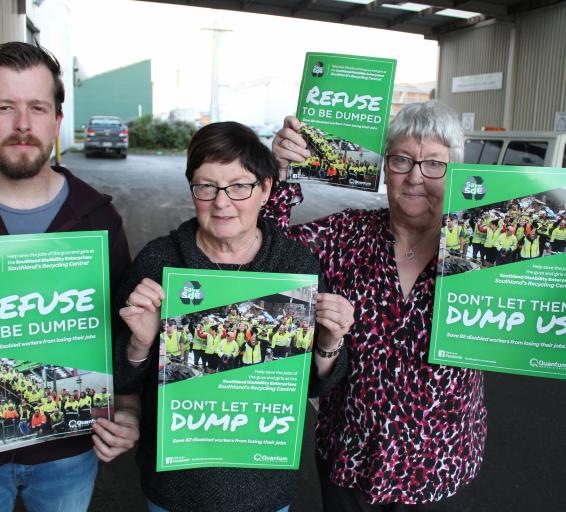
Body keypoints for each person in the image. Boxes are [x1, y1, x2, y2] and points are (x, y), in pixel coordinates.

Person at [0, 41, 138, 511]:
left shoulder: (98, 220)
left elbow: (123, 333)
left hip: (67, 452)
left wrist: (129, 410)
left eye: (37, 108)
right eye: (5, 107)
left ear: (57, 121)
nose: (23, 125)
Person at [113, 121, 354, 512]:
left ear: (266, 189)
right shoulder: (160, 262)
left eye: (239, 186)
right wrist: (140, 343)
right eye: (206, 187)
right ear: (192, 190)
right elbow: (121, 378)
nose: (222, 202)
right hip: (175, 490)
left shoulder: (293, 265)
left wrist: (330, 343)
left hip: (265, 490)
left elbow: (312, 387)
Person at [271, 101, 486, 511]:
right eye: (402, 159)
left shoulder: (482, 248)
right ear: (384, 166)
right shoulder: (345, 235)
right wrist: (280, 173)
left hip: (442, 467)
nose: (415, 177)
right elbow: (267, 252)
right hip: (350, 463)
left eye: (434, 164)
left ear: (455, 171)